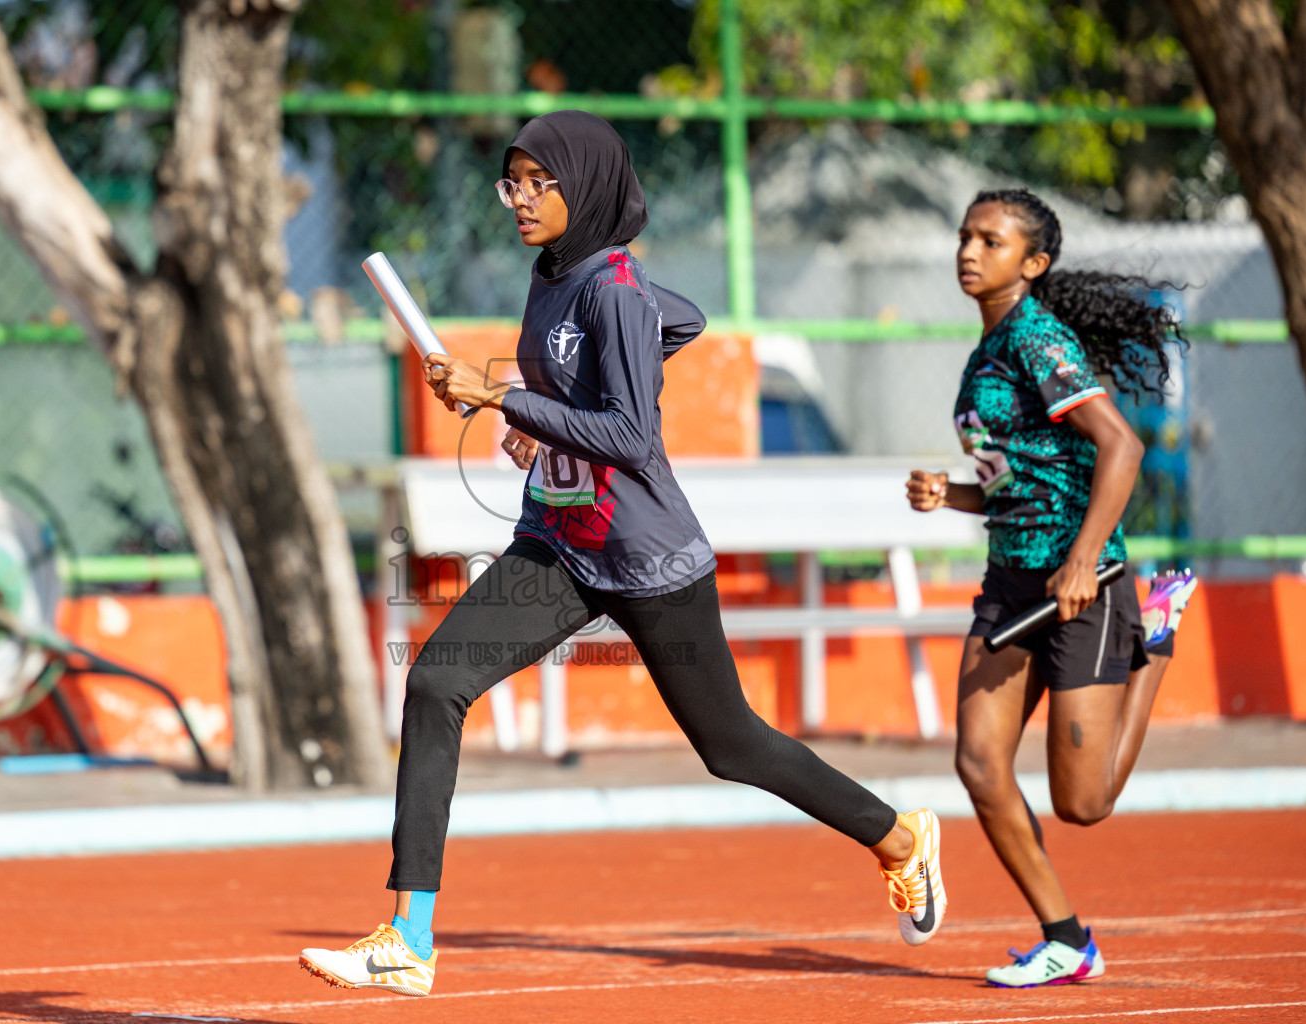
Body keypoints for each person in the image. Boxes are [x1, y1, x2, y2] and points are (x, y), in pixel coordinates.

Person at [299, 110, 948, 998]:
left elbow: (634, 435)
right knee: (436, 681)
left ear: (588, 185)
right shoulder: (554, 276)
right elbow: (677, 325)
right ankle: (409, 936)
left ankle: (900, 835)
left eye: (539, 183)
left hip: (647, 555)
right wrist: (540, 413)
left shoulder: (613, 287)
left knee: (735, 747)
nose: (520, 200)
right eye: (511, 182)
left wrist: (505, 399)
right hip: (559, 542)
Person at [906, 188, 1197, 989]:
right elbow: (1023, 474)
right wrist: (955, 494)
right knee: (979, 764)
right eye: (965, 235)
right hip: (1010, 583)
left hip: (1082, 585)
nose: (969, 250)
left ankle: (1157, 642)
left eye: (990, 241)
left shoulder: (1038, 339)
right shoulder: (985, 349)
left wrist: (1081, 559)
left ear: (1032, 264)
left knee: (1083, 804)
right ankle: (1066, 939)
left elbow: (1122, 446)